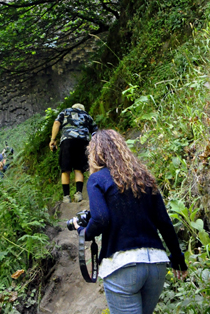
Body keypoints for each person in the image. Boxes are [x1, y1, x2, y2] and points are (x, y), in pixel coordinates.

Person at [74, 129, 187, 314]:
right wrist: (178, 260)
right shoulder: (145, 178)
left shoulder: (97, 179)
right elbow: (164, 223)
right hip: (156, 264)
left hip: (123, 265)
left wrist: (84, 233)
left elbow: (101, 219)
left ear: (95, 154)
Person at [49, 103, 98, 203]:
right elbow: (95, 132)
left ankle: (66, 196)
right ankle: (78, 194)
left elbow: (56, 123)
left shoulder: (65, 112)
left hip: (67, 141)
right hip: (82, 142)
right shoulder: (86, 115)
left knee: (65, 169)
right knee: (79, 169)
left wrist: (53, 139)